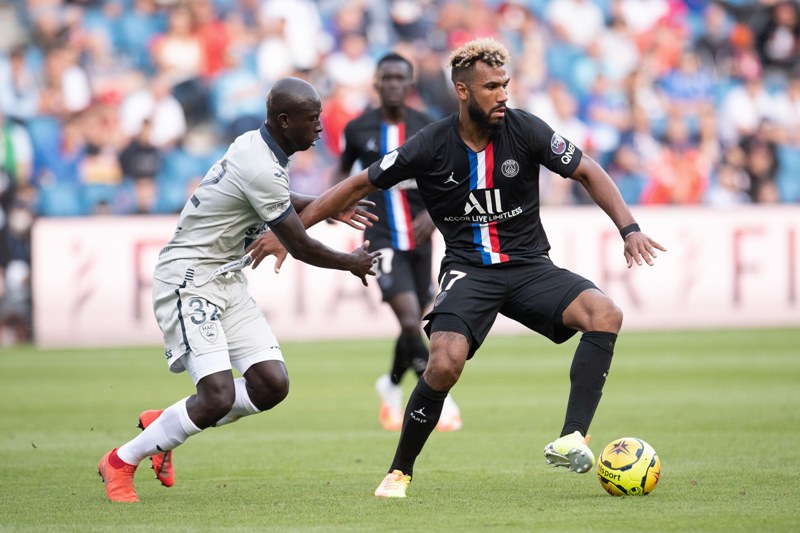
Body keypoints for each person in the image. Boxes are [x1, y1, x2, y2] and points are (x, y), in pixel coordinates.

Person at [247, 38, 666, 499]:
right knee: (444, 362)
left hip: (529, 266)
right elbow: (357, 184)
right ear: (463, 91)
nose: (503, 94)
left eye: (505, 84)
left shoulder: (526, 130)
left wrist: (629, 228)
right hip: (470, 271)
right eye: (491, 87)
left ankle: (573, 437)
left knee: (605, 314)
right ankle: (399, 472)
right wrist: (289, 231)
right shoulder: (429, 144)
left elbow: (587, 170)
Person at [97, 77, 381, 503]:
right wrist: (349, 261)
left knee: (271, 385)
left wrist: (326, 204)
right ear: (285, 121)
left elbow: (278, 195)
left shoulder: (260, 146)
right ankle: (121, 460)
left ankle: (165, 426)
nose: (320, 127)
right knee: (217, 395)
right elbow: (299, 245)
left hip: (225, 278)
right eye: (313, 119)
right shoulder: (260, 163)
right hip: (189, 280)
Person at [331, 52, 461, 433]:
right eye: (385, 78)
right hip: (381, 235)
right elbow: (343, 171)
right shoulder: (358, 128)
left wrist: (435, 216)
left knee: (417, 321)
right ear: (376, 82)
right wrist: (337, 201)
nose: (391, 84)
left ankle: (389, 384)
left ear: (409, 84)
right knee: (411, 319)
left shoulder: (429, 127)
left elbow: (453, 179)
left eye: (398, 78)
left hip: (420, 238)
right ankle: (439, 395)